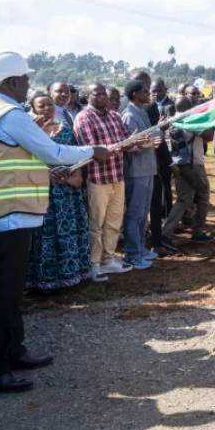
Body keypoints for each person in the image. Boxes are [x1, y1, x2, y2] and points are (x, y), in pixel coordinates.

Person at [0, 50, 106, 393]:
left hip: (2, 214)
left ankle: (14, 351)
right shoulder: (9, 113)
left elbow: (17, 156)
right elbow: (54, 152)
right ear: (11, 82)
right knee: (2, 298)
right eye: (26, 81)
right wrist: (93, 151)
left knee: (10, 294)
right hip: (6, 216)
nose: (29, 87)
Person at [25, 94, 91, 292]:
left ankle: (72, 276)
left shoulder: (66, 129)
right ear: (34, 110)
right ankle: (46, 281)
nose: (46, 108)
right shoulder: (30, 133)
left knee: (69, 232)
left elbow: (75, 156)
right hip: (44, 190)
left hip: (68, 192)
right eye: (41, 105)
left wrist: (75, 177)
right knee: (45, 236)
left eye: (49, 104)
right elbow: (29, 160)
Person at [74, 83, 140, 282]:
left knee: (113, 222)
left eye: (105, 94)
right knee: (96, 225)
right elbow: (93, 150)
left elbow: (123, 142)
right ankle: (94, 264)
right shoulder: (84, 118)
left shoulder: (114, 116)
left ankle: (108, 259)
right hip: (98, 179)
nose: (103, 97)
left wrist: (136, 143)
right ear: (87, 96)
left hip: (116, 177)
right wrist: (120, 146)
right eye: (97, 94)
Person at [120, 80, 162, 269]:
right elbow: (130, 145)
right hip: (136, 171)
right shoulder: (129, 116)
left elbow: (150, 137)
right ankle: (132, 254)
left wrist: (160, 129)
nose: (149, 94)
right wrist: (147, 142)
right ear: (136, 94)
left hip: (147, 168)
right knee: (135, 214)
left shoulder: (141, 112)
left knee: (143, 212)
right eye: (146, 91)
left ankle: (141, 248)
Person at [161, 97, 215, 244]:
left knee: (183, 200)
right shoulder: (191, 120)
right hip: (193, 165)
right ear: (190, 107)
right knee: (203, 196)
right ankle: (198, 232)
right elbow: (209, 136)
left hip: (178, 165)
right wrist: (209, 119)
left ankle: (165, 233)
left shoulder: (171, 121)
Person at [149, 78, 176, 254]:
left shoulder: (170, 106)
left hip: (166, 152)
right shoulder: (148, 107)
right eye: (153, 91)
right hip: (153, 156)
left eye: (159, 90)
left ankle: (167, 219)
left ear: (165, 90)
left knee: (165, 191)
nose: (156, 94)